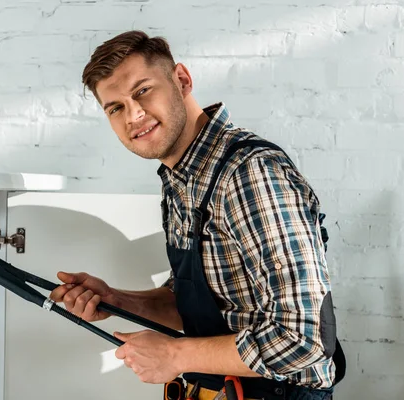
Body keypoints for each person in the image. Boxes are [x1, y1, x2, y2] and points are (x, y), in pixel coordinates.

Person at [49, 30, 345, 400]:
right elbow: (201, 304)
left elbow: (305, 338)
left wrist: (173, 354)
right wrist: (115, 300)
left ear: (182, 80)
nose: (134, 115)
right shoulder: (180, 177)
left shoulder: (249, 173)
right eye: (116, 107)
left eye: (142, 91)